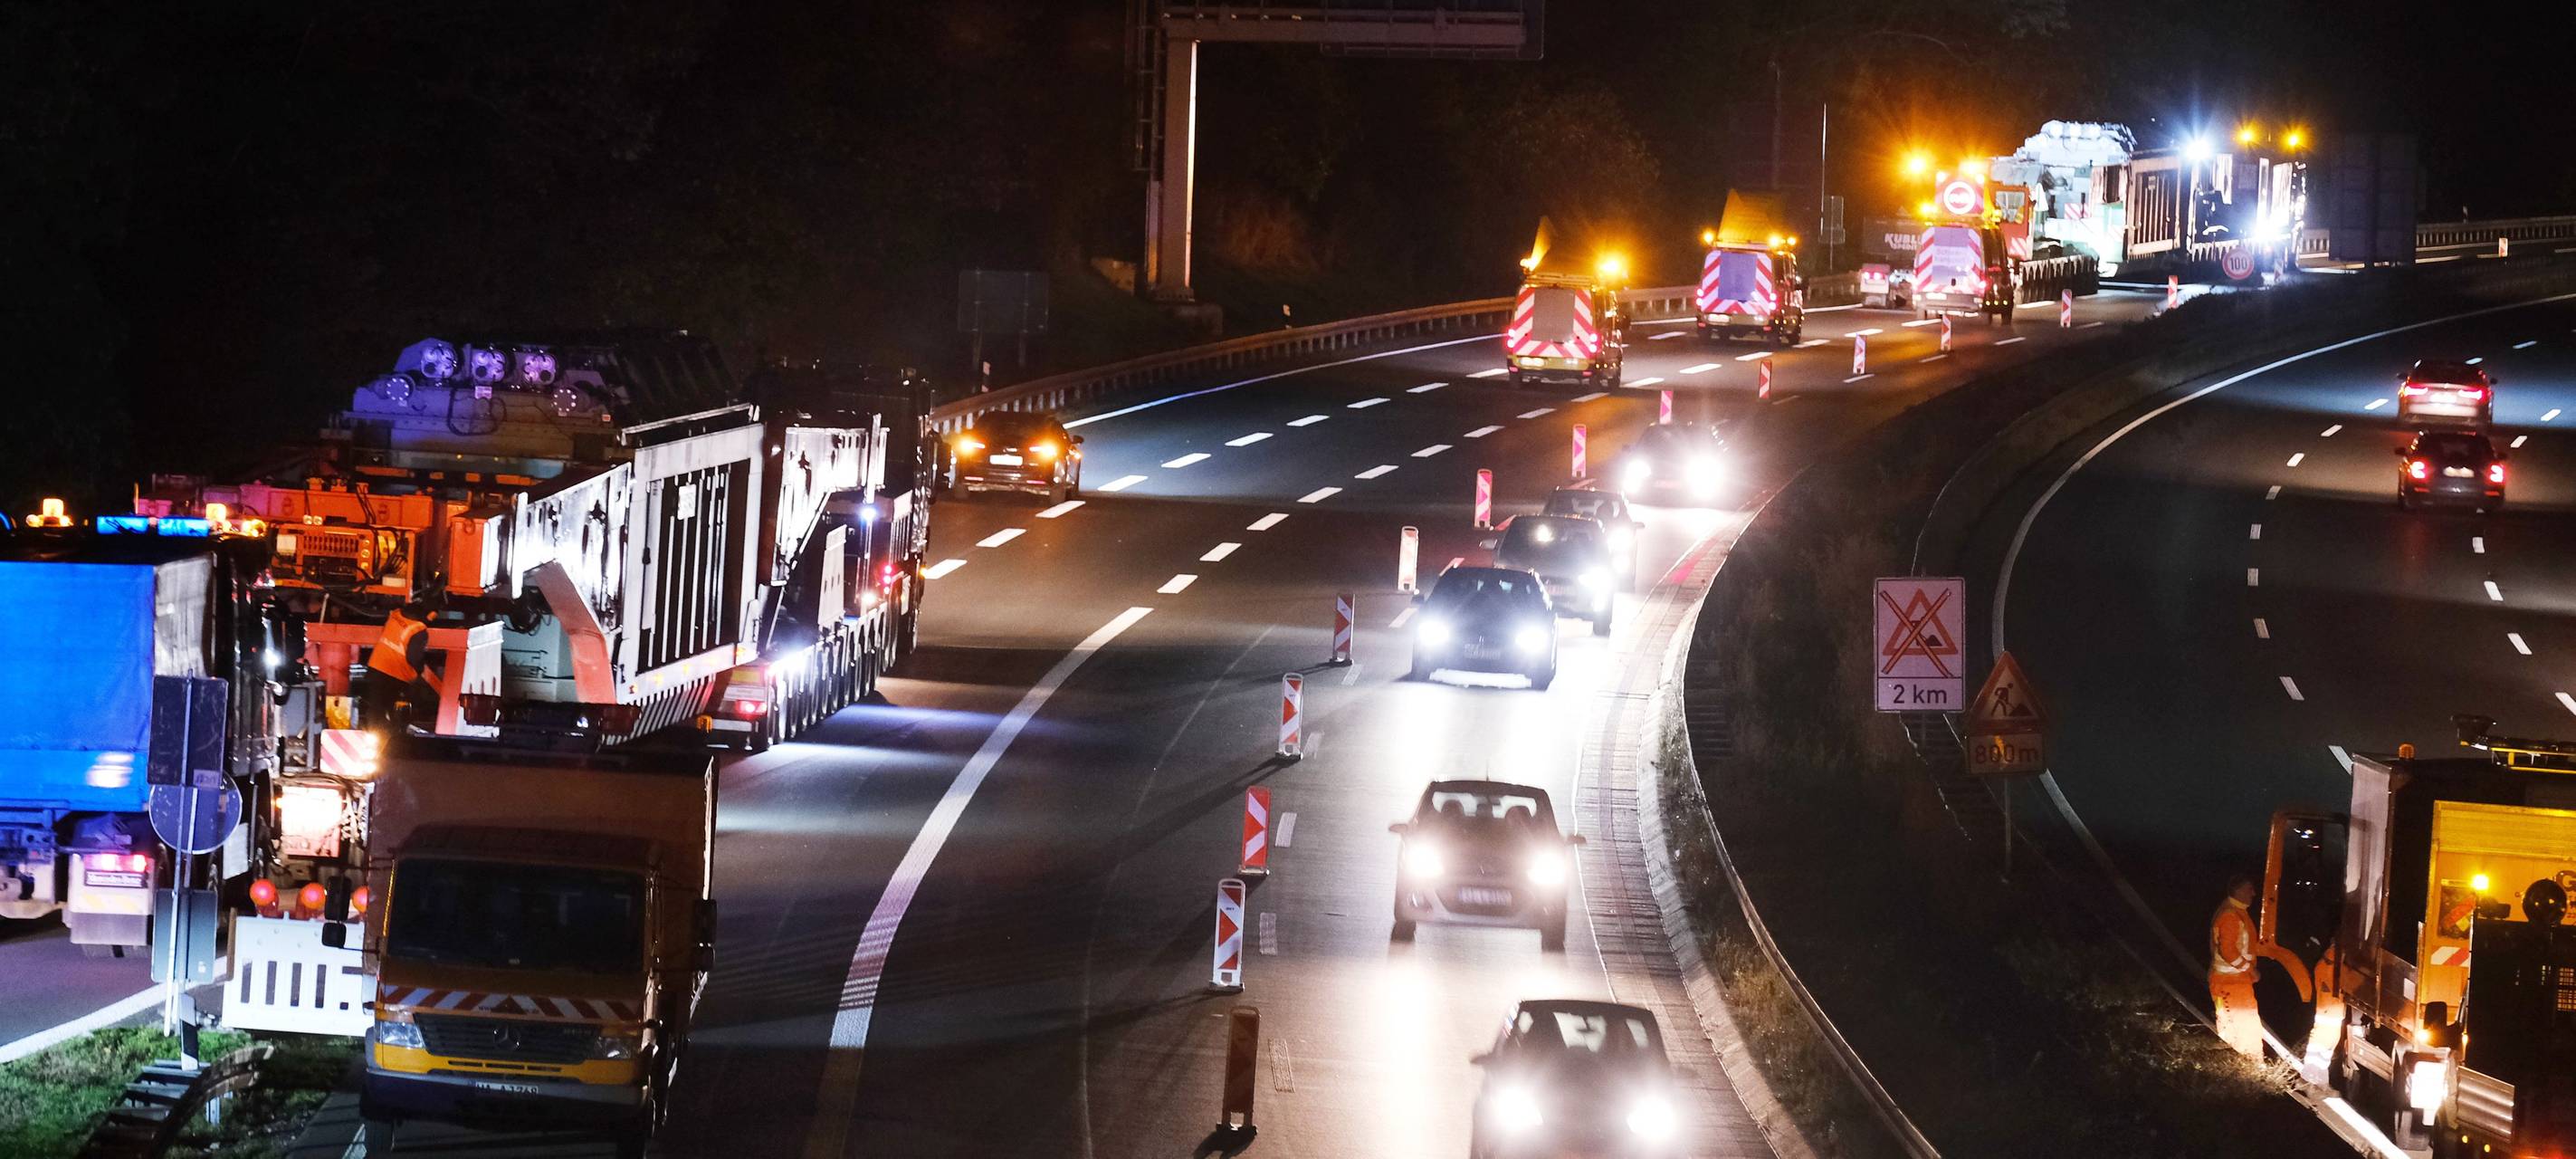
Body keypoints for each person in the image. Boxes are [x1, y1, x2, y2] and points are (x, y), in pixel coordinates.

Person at [2209, 875, 2264, 1058]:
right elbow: (2228, 951)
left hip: (2232, 983)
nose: (2254, 893)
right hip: (2230, 984)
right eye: (2250, 889)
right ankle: (2250, 1068)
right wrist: (2251, 969)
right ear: (2239, 891)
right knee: (2242, 1028)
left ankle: (2245, 1067)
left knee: (2237, 1026)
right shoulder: (2231, 915)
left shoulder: (2236, 912)